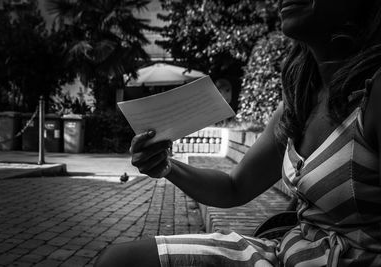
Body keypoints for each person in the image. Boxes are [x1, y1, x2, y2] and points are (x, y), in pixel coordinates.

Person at [95, 0, 381, 266]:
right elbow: (234, 187)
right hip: (285, 253)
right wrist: (166, 167)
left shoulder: (374, 95)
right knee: (118, 260)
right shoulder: (298, 102)